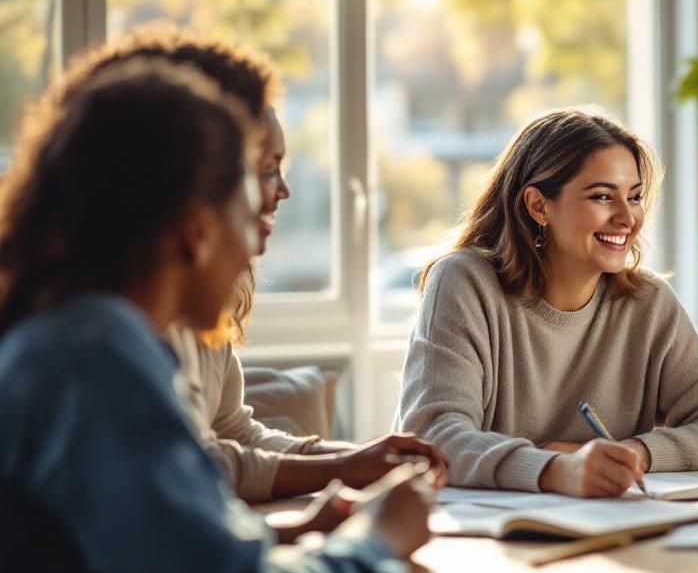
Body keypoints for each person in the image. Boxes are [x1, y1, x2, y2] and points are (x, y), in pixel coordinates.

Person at [0, 59, 434, 573]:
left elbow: (141, 551)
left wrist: (293, 529)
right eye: (247, 199)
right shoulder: (99, 363)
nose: (257, 234)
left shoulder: (65, 335)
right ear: (195, 231)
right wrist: (377, 543)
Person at [60, 26, 446, 504]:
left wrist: (353, 460)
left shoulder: (189, 307)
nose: (279, 192)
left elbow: (228, 432)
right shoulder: (102, 344)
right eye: (262, 171)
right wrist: (357, 514)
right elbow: (191, 471)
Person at [398, 107, 698, 497]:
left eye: (634, 196)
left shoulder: (648, 302)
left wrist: (630, 454)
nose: (628, 218)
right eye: (603, 196)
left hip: (606, 530)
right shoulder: (464, 283)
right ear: (539, 206)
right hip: (482, 539)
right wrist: (556, 470)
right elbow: (432, 437)